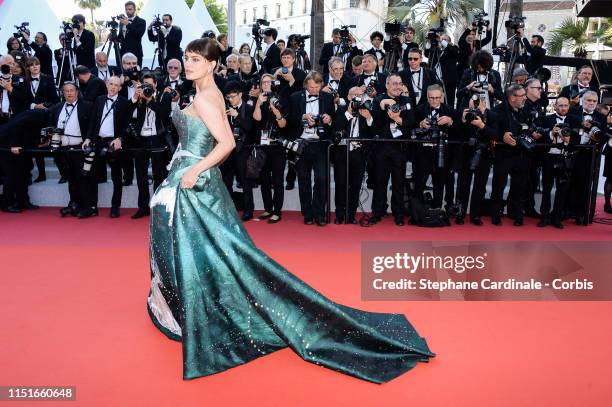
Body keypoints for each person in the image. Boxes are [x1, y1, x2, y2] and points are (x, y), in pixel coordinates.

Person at [147, 37, 434, 383]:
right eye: (186, 58)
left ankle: (200, 313)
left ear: (211, 64)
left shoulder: (207, 98)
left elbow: (227, 144)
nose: (188, 64)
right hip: (190, 181)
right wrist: (183, 162)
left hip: (194, 184)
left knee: (208, 251)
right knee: (212, 252)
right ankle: (193, 311)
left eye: (195, 59)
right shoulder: (203, 94)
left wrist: (193, 169)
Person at [118, 1, 147, 67]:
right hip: (123, 53)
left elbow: (139, 34)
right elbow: (121, 36)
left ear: (134, 10)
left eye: (130, 9)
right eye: (126, 9)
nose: (127, 11)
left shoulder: (141, 21)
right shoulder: (122, 22)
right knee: (123, 74)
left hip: (136, 53)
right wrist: (113, 37)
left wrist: (128, 24)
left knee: (136, 74)